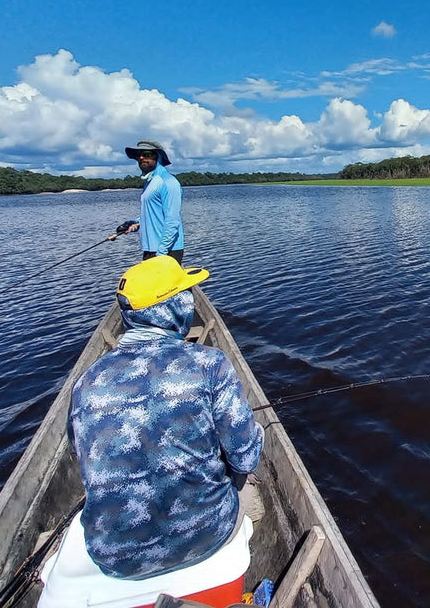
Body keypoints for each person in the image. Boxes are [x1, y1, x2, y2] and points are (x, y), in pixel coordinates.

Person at [39, 256, 263, 606]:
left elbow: (79, 451)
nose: (191, 300)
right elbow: (246, 458)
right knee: (247, 476)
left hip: (115, 558)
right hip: (207, 535)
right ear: (175, 308)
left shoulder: (86, 383)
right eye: (186, 294)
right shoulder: (210, 365)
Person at [113, 139, 184, 263]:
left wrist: (161, 253)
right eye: (138, 155)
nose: (141, 158)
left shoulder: (168, 182)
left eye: (146, 154)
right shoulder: (150, 182)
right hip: (151, 249)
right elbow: (153, 214)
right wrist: (135, 223)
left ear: (158, 156)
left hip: (167, 251)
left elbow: (173, 220)